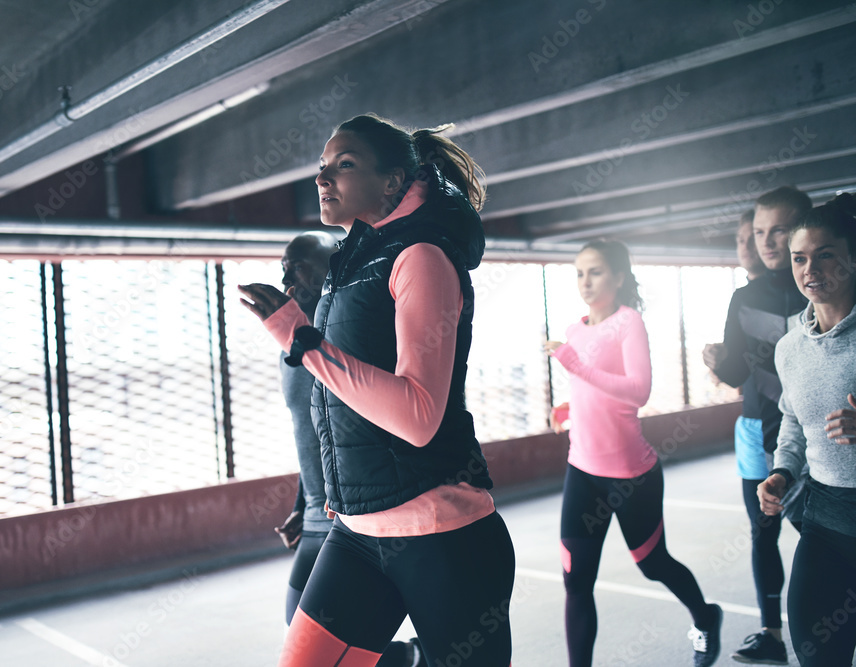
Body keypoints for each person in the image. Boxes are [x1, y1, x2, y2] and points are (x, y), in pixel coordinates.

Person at [240, 114, 515, 667]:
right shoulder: (352, 263)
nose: (323, 178)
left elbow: (418, 416)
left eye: (344, 165)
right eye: (321, 167)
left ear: (391, 182)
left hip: (441, 533)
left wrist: (303, 340)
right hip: (358, 531)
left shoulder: (422, 258)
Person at [544, 239, 722, 667]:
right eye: (580, 273)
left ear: (619, 277)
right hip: (582, 471)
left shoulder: (628, 323)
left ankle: (705, 616)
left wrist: (575, 366)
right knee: (576, 582)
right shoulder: (575, 329)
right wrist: (571, 405)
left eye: (597, 272)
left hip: (630, 475)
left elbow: (637, 391)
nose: (586, 281)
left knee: (653, 564)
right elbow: (593, 388)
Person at [274, 231, 423, 667]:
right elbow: (315, 428)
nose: (286, 275)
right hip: (320, 511)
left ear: (333, 266)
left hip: (359, 511)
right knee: (299, 631)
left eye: (298, 263)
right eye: (284, 265)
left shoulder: (355, 330)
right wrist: (303, 502)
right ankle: (412, 657)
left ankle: (418, 654)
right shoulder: (292, 341)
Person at [702, 187, 813, 664]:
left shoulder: (823, 283)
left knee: (824, 540)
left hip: (820, 438)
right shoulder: (744, 297)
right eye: (759, 233)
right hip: (756, 432)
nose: (766, 242)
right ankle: (771, 633)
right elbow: (734, 374)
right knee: (762, 534)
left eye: (779, 231)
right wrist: (716, 359)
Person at [757, 193, 856, 666]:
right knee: (817, 655)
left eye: (825, 255)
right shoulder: (790, 347)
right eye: (800, 258)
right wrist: (782, 472)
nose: (809, 268)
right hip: (825, 521)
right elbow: (794, 421)